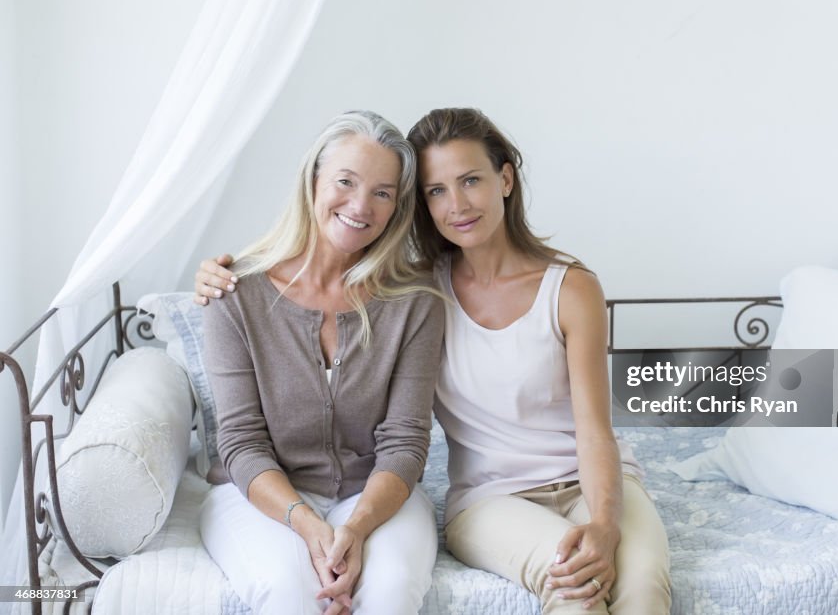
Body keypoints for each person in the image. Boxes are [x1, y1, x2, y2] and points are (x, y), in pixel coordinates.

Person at [196, 108, 671, 614]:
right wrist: (222, 274)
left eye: (471, 180)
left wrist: (603, 524)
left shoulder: (530, 290)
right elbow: (242, 435)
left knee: (640, 590)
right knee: (573, 588)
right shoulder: (417, 288)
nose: (457, 204)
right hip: (490, 497)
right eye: (436, 191)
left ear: (505, 179)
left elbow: (595, 430)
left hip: (577, 482)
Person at [198, 110, 444, 615]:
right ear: (313, 181)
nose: (360, 205)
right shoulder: (235, 293)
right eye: (345, 182)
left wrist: (352, 529)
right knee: (288, 591)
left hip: (375, 495)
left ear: (397, 207)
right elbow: (241, 441)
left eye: (382, 192)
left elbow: (405, 441)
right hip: (259, 498)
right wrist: (308, 525)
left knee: (393, 588)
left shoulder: (415, 303)